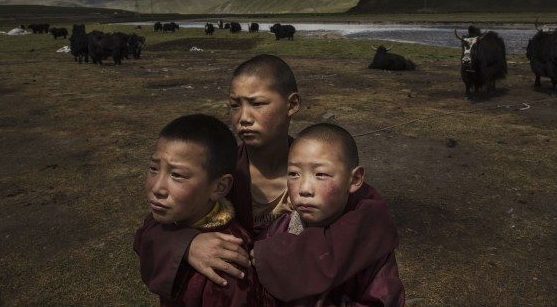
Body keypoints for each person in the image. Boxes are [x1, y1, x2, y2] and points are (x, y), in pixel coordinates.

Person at [135, 54, 399, 301]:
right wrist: (187, 244)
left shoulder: (324, 175)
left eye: (257, 103)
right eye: (234, 105)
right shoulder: (220, 175)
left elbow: (371, 226)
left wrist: (270, 258)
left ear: (292, 104)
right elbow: (152, 227)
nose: (243, 118)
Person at [254, 123, 405, 305]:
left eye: (321, 174)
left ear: (355, 179)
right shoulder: (279, 229)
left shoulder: (369, 240)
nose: (304, 189)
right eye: (294, 174)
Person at [133, 114, 271, 306]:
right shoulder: (174, 218)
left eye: (177, 175)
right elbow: (144, 236)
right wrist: (186, 244)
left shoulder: (225, 262)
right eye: (153, 168)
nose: (157, 188)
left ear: (220, 187)